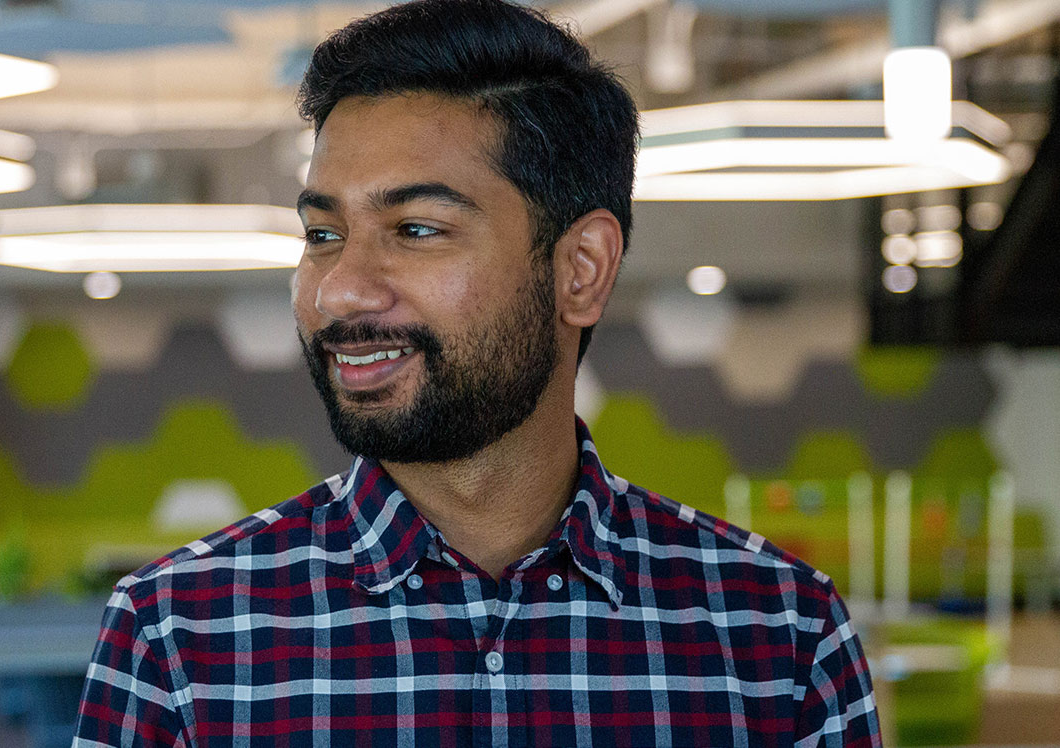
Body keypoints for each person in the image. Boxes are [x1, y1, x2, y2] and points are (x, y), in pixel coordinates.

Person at [73, 0, 881, 745]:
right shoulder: (177, 635)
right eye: (322, 235)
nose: (341, 288)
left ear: (581, 269)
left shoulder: (780, 637)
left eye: (416, 228)